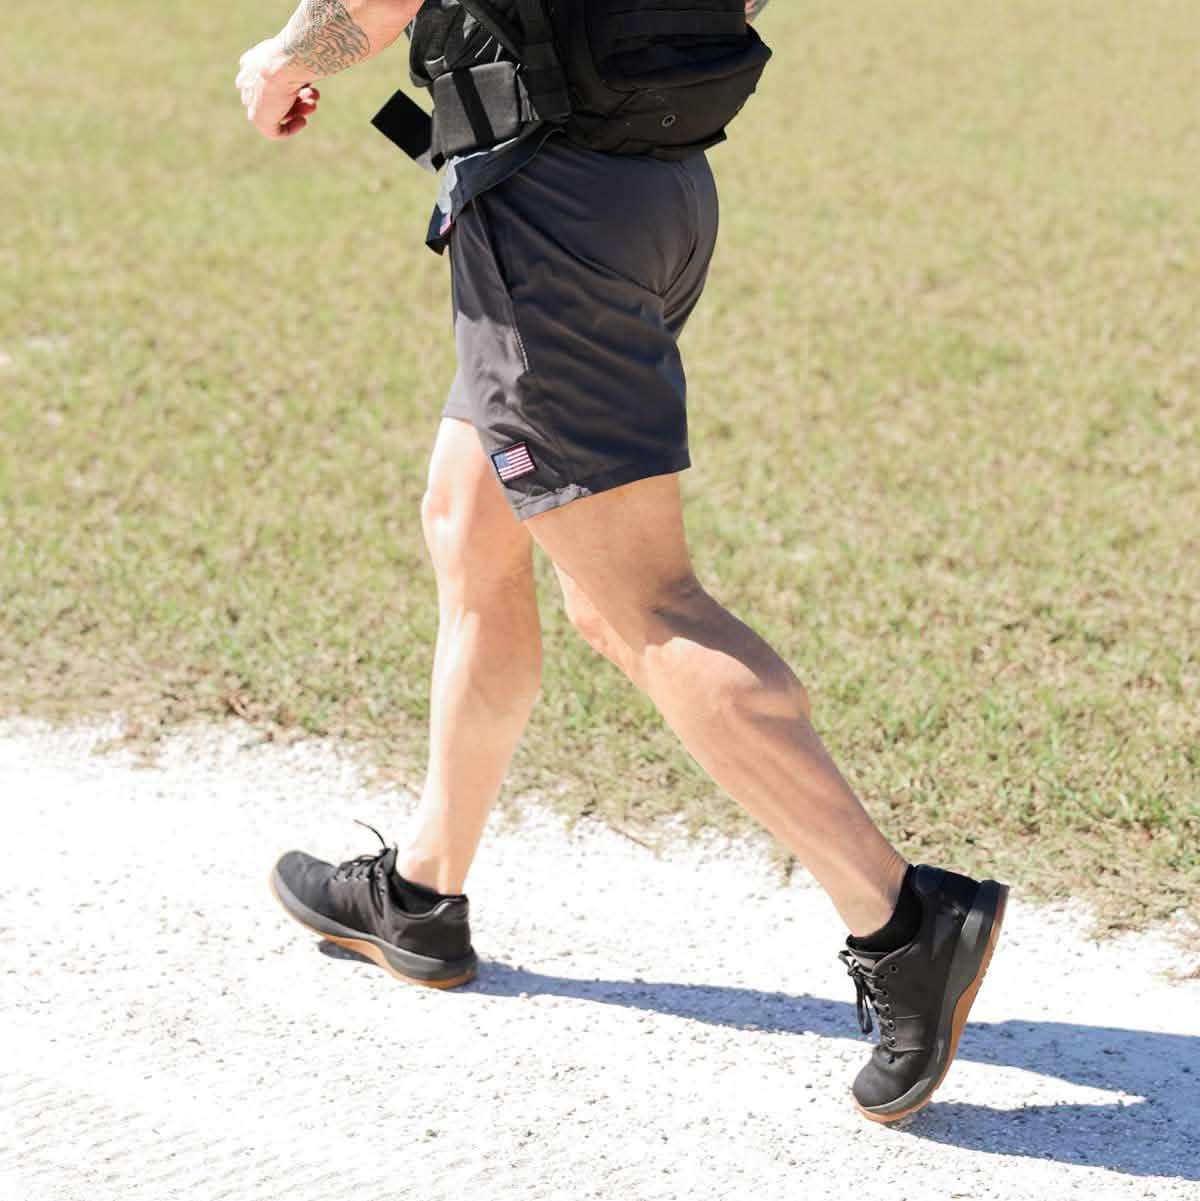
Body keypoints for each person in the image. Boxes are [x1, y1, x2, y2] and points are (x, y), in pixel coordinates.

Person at [236, 0, 1008, 1124]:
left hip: (552, 212)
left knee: (639, 604)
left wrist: (289, 55)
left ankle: (902, 921)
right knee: (470, 520)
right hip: (654, 185)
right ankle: (421, 896)